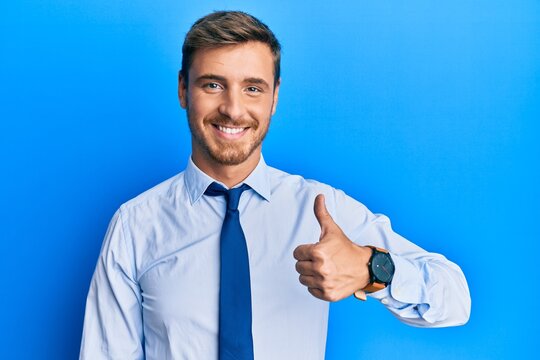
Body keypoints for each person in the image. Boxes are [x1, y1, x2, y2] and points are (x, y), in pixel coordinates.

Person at [79, 10, 471, 360]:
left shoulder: (320, 208)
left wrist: (372, 267)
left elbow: (456, 299)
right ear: (183, 89)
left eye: (252, 88)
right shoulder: (135, 225)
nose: (233, 109)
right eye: (213, 85)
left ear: (274, 97)